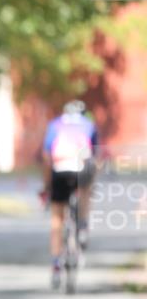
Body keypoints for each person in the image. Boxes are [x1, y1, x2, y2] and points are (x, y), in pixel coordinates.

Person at [41, 99, 98, 288]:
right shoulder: (89, 124)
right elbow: (95, 156)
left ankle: (56, 263)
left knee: (57, 218)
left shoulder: (55, 125)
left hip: (59, 168)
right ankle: (82, 226)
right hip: (81, 169)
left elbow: (47, 157)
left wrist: (47, 186)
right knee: (85, 190)